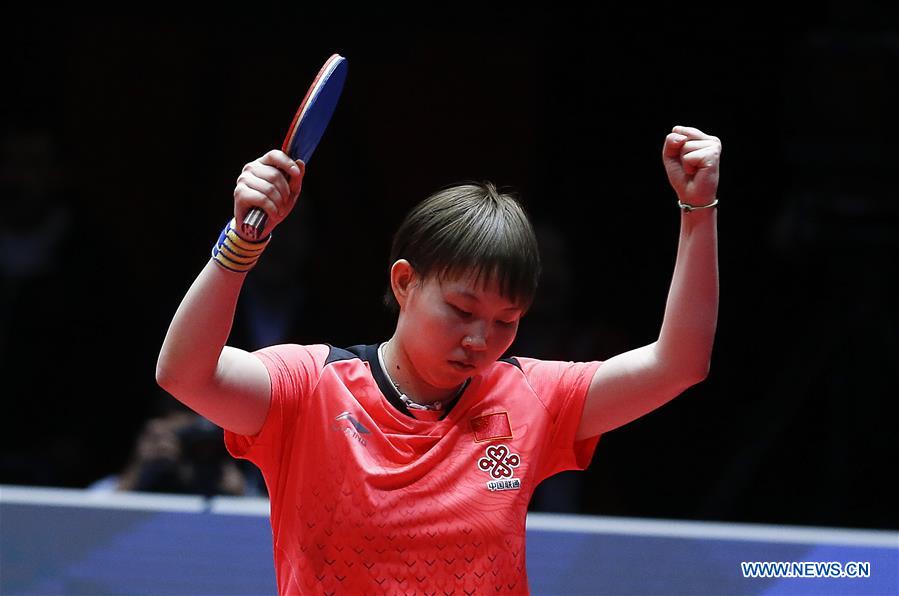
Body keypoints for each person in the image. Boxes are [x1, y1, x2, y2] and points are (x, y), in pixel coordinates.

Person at [156, 125, 720, 594]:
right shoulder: (311, 388)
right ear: (404, 282)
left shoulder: (531, 398)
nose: (481, 339)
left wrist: (698, 213)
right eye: (460, 309)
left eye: (506, 321)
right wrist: (241, 245)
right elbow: (184, 374)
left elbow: (679, 364)